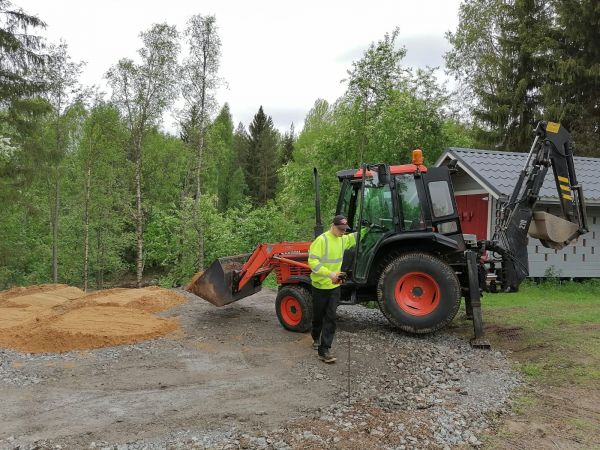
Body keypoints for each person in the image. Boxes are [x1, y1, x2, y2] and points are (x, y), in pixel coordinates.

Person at [307, 214, 359, 363]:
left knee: (331, 317)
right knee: (318, 316)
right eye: (341, 229)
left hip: (335, 285)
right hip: (320, 285)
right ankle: (315, 336)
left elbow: (355, 237)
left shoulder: (343, 239)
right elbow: (313, 262)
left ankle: (324, 350)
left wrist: (368, 228)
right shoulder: (321, 240)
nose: (343, 232)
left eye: (345, 229)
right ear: (333, 226)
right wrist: (329, 274)